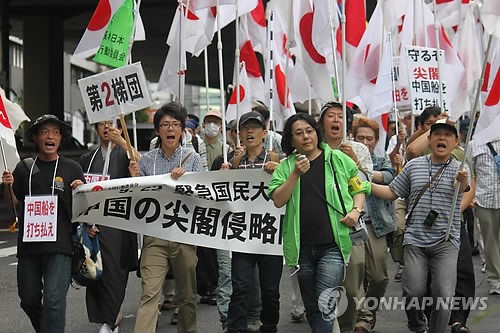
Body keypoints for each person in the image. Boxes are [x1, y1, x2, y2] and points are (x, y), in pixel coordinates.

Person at [269, 113, 370, 332]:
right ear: (291, 139)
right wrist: (295, 173)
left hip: (332, 245)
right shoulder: (286, 166)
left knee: (325, 303)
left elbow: (360, 187)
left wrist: (356, 210)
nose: (306, 137)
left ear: (317, 132)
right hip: (302, 248)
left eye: (309, 131)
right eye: (298, 133)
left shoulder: (338, 159)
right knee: (312, 306)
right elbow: (278, 199)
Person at [370, 122, 470, 333]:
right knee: (413, 292)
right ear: (430, 139)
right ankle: (418, 326)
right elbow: (391, 192)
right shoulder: (413, 166)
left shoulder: (460, 169)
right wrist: (364, 185)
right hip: (415, 240)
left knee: (443, 295)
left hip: (446, 242)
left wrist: (463, 181)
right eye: (438, 135)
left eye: (447, 136)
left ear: (456, 142)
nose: (442, 139)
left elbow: (462, 188)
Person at [1, 114, 85, 333]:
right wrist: (7, 187)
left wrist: (80, 192)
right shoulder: (23, 169)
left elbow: (83, 210)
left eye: (55, 132)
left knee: (54, 301)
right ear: (37, 138)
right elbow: (14, 207)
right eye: (45, 132)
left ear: (60, 139)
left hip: (60, 245)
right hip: (29, 245)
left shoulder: (72, 168)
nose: (50, 136)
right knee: (28, 299)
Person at [129, 102, 202, 333]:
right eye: (165, 125)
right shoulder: (145, 161)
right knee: (149, 293)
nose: (170, 129)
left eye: (175, 124)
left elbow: (201, 196)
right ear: (157, 130)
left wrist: (187, 179)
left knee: (187, 296)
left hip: (184, 235)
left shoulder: (192, 158)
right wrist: (135, 179)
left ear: (182, 130)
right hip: (154, 236)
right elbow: (138, 199)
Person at [78, 120, 140, 333]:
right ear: (96, 129)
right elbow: (83, 192)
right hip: (95, 222)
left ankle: (111, 319)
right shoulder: (88, 158)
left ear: (120, 127)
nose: (106, 127)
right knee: (96, 270)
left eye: (111, 123)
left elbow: (142, 165)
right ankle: (108, 316)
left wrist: (122, 142)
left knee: (115, 270)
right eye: (102, 124)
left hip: (119, 221)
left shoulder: (126, 154)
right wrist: (86, 222)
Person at [224, 111, 283, 333]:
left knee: (270, 290)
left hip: (269, 235)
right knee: (239, 287)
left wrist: (281, 171)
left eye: (255, 127)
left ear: (264, 132)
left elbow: (291, 187)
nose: (250, 131)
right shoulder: (234, 163)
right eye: (245, 128)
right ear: (238, 134)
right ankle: (235, 329)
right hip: (243, 234)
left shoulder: (277, 159)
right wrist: (224, 176)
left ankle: (269, 326)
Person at [318, 101, 373, 331]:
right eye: (331, 116)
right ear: (322, 123)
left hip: (351, 225)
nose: (336, 120)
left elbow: (365, 183)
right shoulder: (313, 147)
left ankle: (350, 324)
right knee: (326, 289)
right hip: (320, 227)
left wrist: (355, 161)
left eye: (340, 117)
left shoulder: (358, 149)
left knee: (351, 289)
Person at [351, 117, 396, 333]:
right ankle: (363, 319)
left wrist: (364, 169)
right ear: (353, 138)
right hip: (350, 223)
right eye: (361, 138)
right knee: (355, 276)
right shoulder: (343, 158)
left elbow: (389, 177)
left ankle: (368, 312)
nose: (365, 142)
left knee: (378, 277)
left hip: (374, 225)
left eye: (370, 138)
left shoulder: (380, 160)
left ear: (376, 140)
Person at [470, 137, 500, 295]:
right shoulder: (474, 145)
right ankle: (495, 280)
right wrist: (471, 196)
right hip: (485, 199)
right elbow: (470, 173)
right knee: (490, 241)